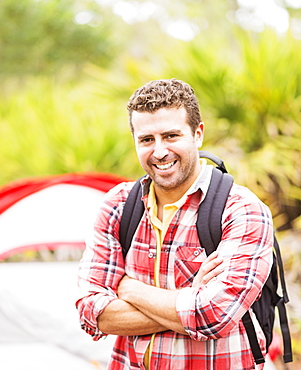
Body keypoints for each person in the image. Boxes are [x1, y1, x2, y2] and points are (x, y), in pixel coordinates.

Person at [76, 78, 273, 370]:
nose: (159, 152)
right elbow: (91, 313)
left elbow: (213, 316)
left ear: (198, 134)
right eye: (146, 140)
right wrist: (190, 299)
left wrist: (128, 289)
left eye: (171, 136)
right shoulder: (118, 205)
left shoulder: (241, 209)